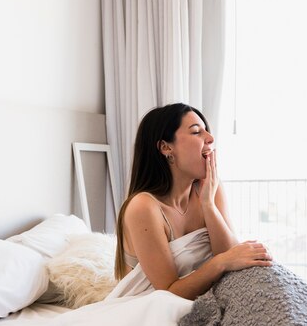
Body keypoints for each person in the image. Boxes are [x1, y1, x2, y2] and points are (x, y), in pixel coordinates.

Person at [111, 103, 273, 300]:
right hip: (149, 309)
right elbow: (168, 294)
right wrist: (220, 263)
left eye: (207, 131)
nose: (210, 138)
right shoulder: (143, 207)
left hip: (204, 300)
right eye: (197, 132)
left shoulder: (209, 188)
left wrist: (209, 205)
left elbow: (233, 258)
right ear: (166, 147)